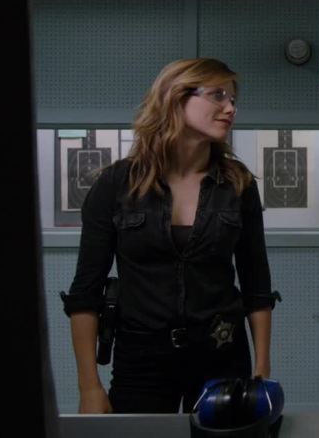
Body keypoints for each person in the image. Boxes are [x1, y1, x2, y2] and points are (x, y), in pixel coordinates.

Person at [61, 58, 279, 418]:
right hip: (141, 359)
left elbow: (257, 286)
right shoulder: (116, 184)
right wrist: (89, 387)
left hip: (221, 352)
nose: (230, 108)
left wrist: (261, 372)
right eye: (218, 95)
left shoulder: (237, 184)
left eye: (233, 99)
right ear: (176, 98)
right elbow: (85, 293)